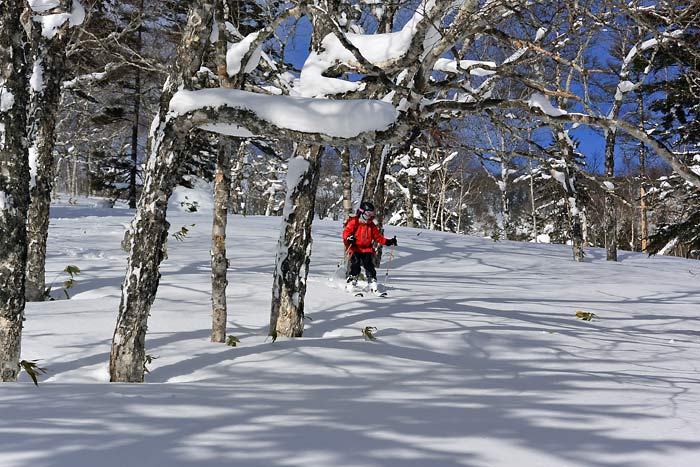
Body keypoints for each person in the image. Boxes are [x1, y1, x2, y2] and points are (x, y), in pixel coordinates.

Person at [342, 201, 398, 291]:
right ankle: (352, 280)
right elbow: (346, 232)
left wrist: (389, 242)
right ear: (362, 212)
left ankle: (372, 281)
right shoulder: (354, 222)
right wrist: (349, 238)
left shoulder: (371, 225)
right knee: (355, 264)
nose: (370, 215)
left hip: (367, 249)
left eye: (372, 213)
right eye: (368, 213)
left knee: (369, 266)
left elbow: (378, 237)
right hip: (355, 248)